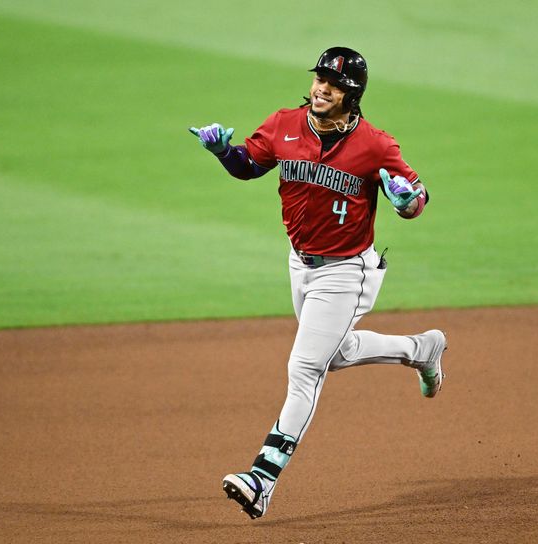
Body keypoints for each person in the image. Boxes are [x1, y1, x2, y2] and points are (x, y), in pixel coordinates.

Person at [188, 46, 447, 519]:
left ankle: (262, 478)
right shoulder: (285, 123)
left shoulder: (375, 144)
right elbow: (250, 165)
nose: (322, 88)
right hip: (300, 264)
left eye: (335, 84)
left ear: (353, 95)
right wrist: (224, 151)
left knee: (305, 368)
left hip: (348, 270)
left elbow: (415, 199)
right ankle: (421, 350)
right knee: (336, 352)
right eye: (320, 79)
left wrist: (406, 200)